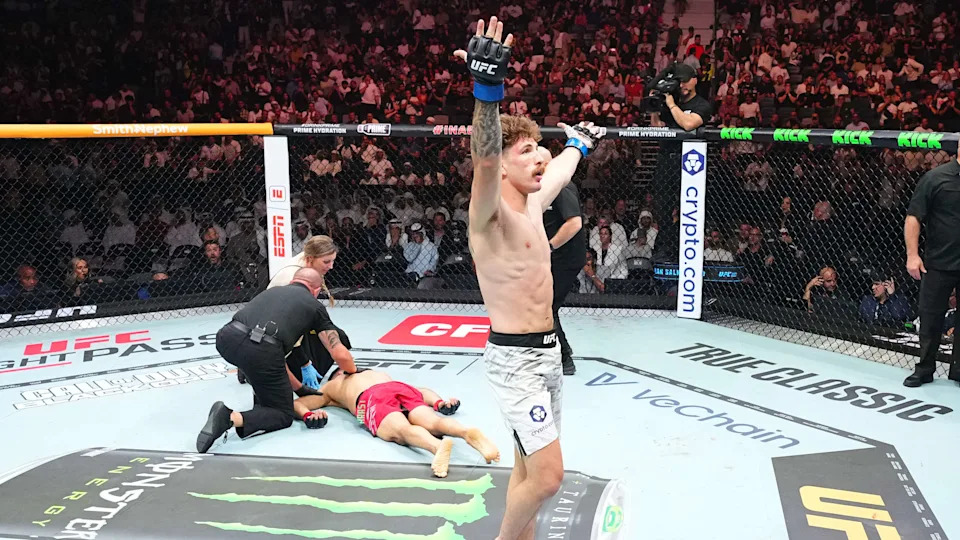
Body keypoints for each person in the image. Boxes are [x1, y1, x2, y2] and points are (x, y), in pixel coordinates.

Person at [453, 16, 605, 540]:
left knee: (525, 467)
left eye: (537, 150)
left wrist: (578, 145)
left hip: (543, 355)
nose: (537, 158)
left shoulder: (536, 203)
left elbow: (561, 167)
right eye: (526, 152)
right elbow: (486, 157)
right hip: (515, 358)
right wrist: (487, 93)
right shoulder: (489, 215)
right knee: (547, 477)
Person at [196, 268, 359, 453]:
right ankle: (229, 417)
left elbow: (277, 360)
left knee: (263, 362)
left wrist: (298, 388)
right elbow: (339, 354)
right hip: (261, 351)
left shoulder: (272, 291)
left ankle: (260, 398)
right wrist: (353, 372)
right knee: (283, 414)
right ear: (316, 290)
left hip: (227, 338)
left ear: (293, 281)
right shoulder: (314, 306)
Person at [295, 368, 501, 478]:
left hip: (370, 399)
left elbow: (298, 403)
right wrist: (438, 401)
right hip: (398, 387)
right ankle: (466, 432)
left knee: (401, 431)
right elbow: (421, 391)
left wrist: (307, 415)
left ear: (339, 374)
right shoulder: (378, 374)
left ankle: (436, 446)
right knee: (433, 422)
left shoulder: (334, 385)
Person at [237, 235, 352, 389]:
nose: (331, 266)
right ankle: (251, 367)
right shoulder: (291, 277)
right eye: (326, 262)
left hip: (281, 328)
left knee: (339, 337)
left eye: (332, 261)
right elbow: (285, 323)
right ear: (310, 259)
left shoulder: (308, 262)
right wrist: (305, 363)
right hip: (269, 335)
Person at [903, 145, 960, 388]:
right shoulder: (936, 178)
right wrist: (912, 255)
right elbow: (914, 216)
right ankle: (925, 368)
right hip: (939, 262)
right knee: (930, 317)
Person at [541, 147, 585, 376]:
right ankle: (562, 352)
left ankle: (564, 358)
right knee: (546, 305)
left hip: (564, 257)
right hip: (552, 256)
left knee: (545, 306)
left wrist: (548, 247)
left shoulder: (561, 185)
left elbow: (574, 223)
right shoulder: (540, 186)